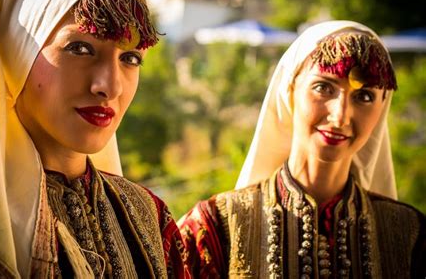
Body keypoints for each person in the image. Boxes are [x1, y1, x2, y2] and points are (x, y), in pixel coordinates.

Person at [0, 0, 190, 277]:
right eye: (79, 48)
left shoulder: (149, 216)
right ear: (16, 53)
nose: (109, 87)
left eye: (130, 58)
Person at [178, 20, 425, 278]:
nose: (340, 117)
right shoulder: (212, 230)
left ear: (382, 109)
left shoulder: (410, 237)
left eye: (364, 97)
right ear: (289, 91)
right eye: (323, 87)